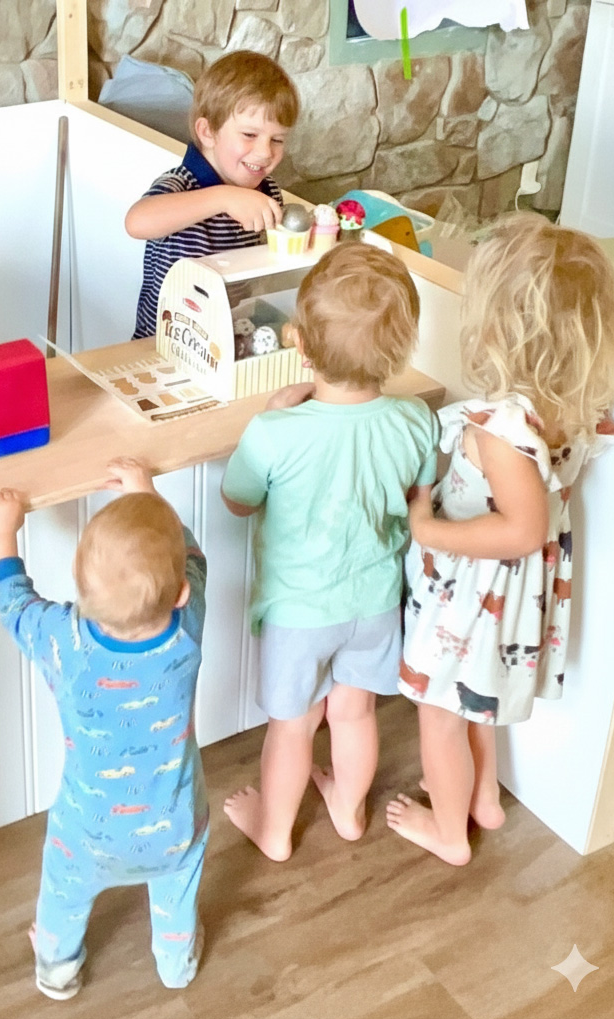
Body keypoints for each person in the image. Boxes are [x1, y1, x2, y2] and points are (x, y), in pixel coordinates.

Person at [387, 213, 614, 866]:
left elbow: (520, 529)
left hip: (471, 597)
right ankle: (483, 800)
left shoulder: (502, 429)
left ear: (496, 328)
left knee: (439, 715)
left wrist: (426, 526)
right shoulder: (572, 410)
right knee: (475, 702)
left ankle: (447, 831)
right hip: (510, 605)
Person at [220, 242, 440, 862]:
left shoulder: (274, 432)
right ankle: (346, 808)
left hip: (298, 610)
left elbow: (238, 501)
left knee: (293, 726)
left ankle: (274, 830)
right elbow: (419, 490)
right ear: (399, 352)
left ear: (300, 345)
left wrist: (268, 415)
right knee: (354, 713)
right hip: (375, 600)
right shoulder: (416, 420)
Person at [0, 457, 209, 999]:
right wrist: (148, 493)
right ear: (179, 594)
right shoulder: (187, 628)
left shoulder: (64, 639)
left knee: (62, 893)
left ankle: (57, 968)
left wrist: (2, 533)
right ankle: (175, 964)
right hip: (174, 822)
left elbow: (13, 604)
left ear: (78, 592)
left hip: (88, 830)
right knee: (177, 888)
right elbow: (195, 559)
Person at [125, 50, 299, 340]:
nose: (265, 152)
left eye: (277, 139)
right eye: (249, 135)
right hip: (163, 346)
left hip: (226, 338)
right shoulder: (182, 183)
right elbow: (136, 222)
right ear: (207, 132)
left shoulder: (268, 191)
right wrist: (223, 197)